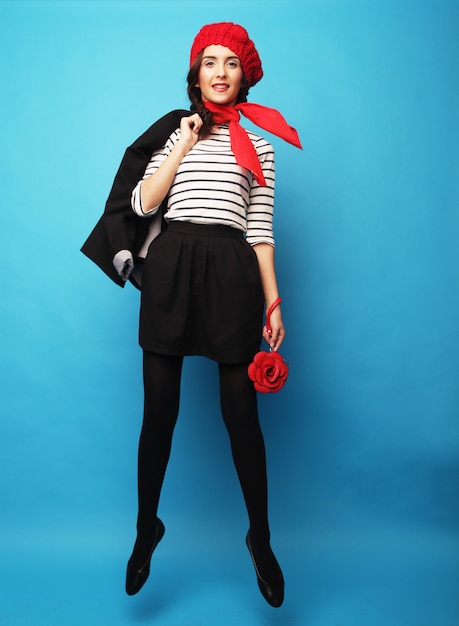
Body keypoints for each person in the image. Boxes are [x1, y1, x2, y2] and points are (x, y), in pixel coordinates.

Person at [82, 21, 301, 608]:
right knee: (160, 415)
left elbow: (259, 231)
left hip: (231, 274)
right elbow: (141, 203)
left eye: (231, 62)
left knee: (241, 418)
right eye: (209, 61)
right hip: (173, 268)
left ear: (245, 74)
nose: (220, 71)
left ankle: (260, 538)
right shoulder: (173, 133)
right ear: (195, 73)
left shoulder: (262, 147)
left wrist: (274, 300)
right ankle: (145, 528)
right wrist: (182, 142)